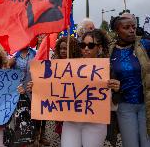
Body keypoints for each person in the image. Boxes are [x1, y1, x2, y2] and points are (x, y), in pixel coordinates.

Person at [58, 29, 120, 147]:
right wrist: (37, 87)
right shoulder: (69, 66)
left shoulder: (108, 69)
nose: (86, 48)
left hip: (95, 122)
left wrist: (116, 89)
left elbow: (114, 101)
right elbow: (54, 88)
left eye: (90, 45)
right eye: (83, 45)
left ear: (99, 48)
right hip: (71, 122)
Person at [109, 13, 150, 147]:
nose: (131, 30)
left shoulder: (145, 45)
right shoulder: (110, 51)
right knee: (130, 143)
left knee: (146, 142)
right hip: (124, 105)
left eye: (133, 26)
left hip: (147, 104)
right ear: (116, 30)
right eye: (126, 27)